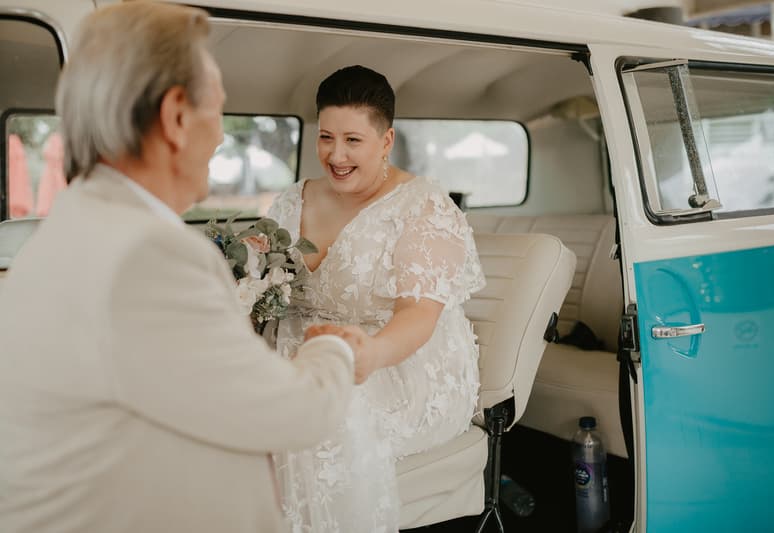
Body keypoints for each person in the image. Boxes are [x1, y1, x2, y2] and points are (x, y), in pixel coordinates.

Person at [0, 4, 363, 533]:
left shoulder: (64, 229)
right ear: (175, 117)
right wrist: (333, 347)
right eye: (216, 109)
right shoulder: (148, 255)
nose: (219, 138)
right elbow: (294, 413)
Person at [268, 65, 486, 532]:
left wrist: (371, 352)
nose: (336, 154)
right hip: (303, 340)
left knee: (318, 410)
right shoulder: (291, 202)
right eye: (326, 138)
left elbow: (419, 314)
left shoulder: (422, 206)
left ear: (386, 141)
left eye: (353, 140)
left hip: (402, 359)